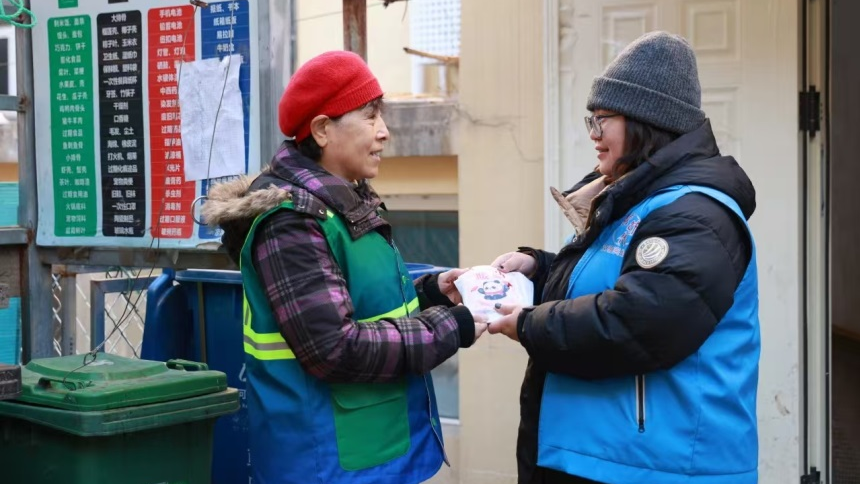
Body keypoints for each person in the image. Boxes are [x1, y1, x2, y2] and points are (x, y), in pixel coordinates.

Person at [485, 31, 760, 484]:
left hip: (658, 467)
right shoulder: (639, 199)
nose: (593, 135)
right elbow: (616, 281)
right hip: (603, 456)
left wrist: (530, 323)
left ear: (645, 119)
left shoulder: (695, 214)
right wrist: (539, 270)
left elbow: (639, 322)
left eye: (601, 120)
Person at [202, 50, 487, 484]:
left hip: (369, 447)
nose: (385, 132)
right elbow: (333, 348)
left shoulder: (336, 205)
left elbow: (356, 292)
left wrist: (430, 290)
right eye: (370, 117)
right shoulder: (291, 222)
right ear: (321, 130)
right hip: (325, 460)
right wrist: (451, 326)